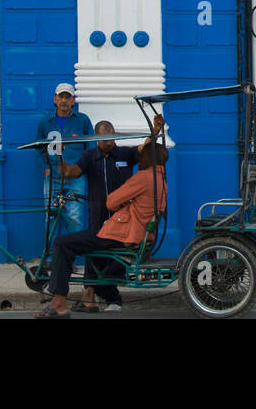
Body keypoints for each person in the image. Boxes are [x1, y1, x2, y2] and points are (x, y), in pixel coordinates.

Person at [35, 135, 169, 319]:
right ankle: (90, 298)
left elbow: (112, 202)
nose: (140, 160)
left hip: (123, 235)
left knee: (61, 244)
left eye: (143, 157)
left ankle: (59, 303)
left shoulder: (144, 177)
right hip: (129, 233)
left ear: (148, 159)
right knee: (90, 247)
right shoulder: (160, 179)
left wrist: (125, 202)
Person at [36, 84, 93, 239]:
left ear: (73, 101)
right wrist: (45, 168)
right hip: (52, 177)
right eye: (61, 97)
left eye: (68, 97)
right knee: (51, 217)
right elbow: (39, 149)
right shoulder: (45, 122)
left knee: (75, 218)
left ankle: (70, 259)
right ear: (55, 99)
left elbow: (91, 148)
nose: (64, 101)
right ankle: (51, 259)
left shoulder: (82, 121)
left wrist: (82, 168)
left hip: (75, 178)